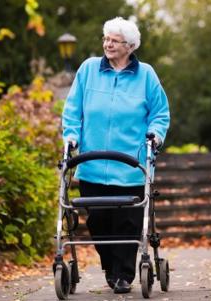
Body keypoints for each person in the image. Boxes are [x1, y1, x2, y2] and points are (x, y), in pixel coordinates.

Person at [62, 16, 170, 294]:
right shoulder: (88, 70)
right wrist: (71, 134)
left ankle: (123, 274)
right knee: (98, 221)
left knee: (128, 223)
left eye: (115, 40)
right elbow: (73, 109)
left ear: (130, 46)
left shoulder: (146, 74)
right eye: (106, 39)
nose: (108, 44)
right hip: (92, 164)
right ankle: (111, 267)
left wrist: (155, 135)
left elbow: (160, 113)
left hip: (131, 166)